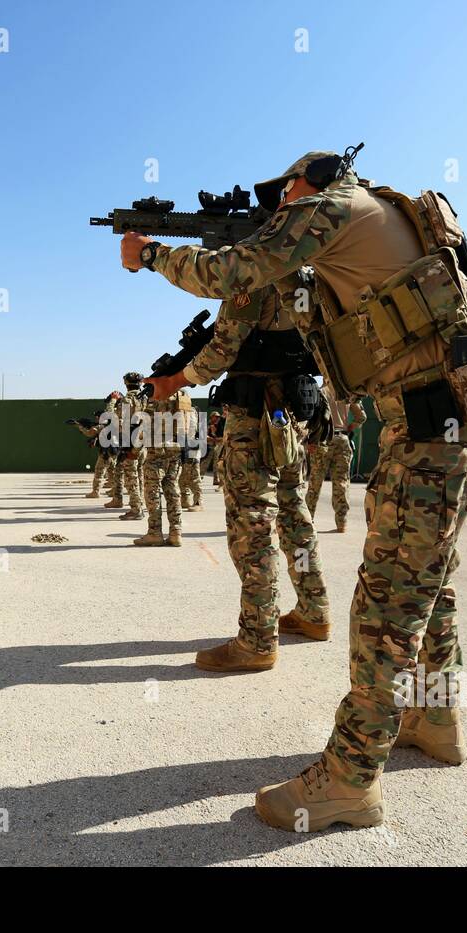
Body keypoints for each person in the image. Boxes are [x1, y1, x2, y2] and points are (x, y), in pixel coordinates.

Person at [127, 148, 467, 830]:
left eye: (286, 192)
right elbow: (281, 294)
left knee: (387, 601)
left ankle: (350, 781)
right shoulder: (384, 215)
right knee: (428, 582)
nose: (280, 206)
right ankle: (435, 717)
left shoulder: (332, 209)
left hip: (431, 422)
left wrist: (150, 254)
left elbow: (234, 272)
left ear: (316, 183)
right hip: (460, 410)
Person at [135, 285, 331, 671]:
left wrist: (175, 380)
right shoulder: (311, 277)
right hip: (297, 409)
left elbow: (221, 351)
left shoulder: (257, 276)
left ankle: (257, 640)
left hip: (256, 413)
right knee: (294, 513)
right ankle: (314, 611)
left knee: (251, 523)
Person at [305, 386, 368, 532]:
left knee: (315, 481)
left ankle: (308, 521)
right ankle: (342, 523)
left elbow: (311, 417)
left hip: (323, 439)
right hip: (342, 438)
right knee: (342, 482)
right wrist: (352, 426)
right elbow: (362, 416)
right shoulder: (346, 392)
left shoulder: (319, 392)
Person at [134, 391, 185, 546]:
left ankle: (154, 532)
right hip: (175, 449)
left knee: (152, 492)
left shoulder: (156, 394)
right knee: (173, 491)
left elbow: (144, 424)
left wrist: (135, 449)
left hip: (156, 450)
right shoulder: (182, 396)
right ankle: (176, 533)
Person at [117, 373, 147, 520]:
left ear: (126, 383)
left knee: (131, 476)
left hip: (132, 440)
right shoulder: (147, 397)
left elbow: (120, 421)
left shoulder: (127, 399)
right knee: (140, 473)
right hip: (145, 441)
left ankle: (136, 509)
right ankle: (141, 504)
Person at [178, 393, 205, 511]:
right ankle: (185, 500)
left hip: (192, 445)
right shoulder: (178, 412)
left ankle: (198, 502)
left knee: (194, 475)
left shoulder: (194, 411)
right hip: (182, 445)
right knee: (181, 475)